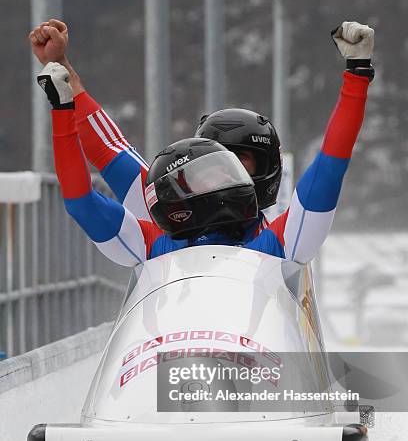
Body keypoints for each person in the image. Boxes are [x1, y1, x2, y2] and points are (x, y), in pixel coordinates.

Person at [30, 20, 374, 264]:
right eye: (209, 167)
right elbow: (104, 155)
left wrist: (357, 75)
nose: (221, 177)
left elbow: (330, 165)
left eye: (239, 163)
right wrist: (63, 81)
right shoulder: (154, 233)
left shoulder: (281, 242)